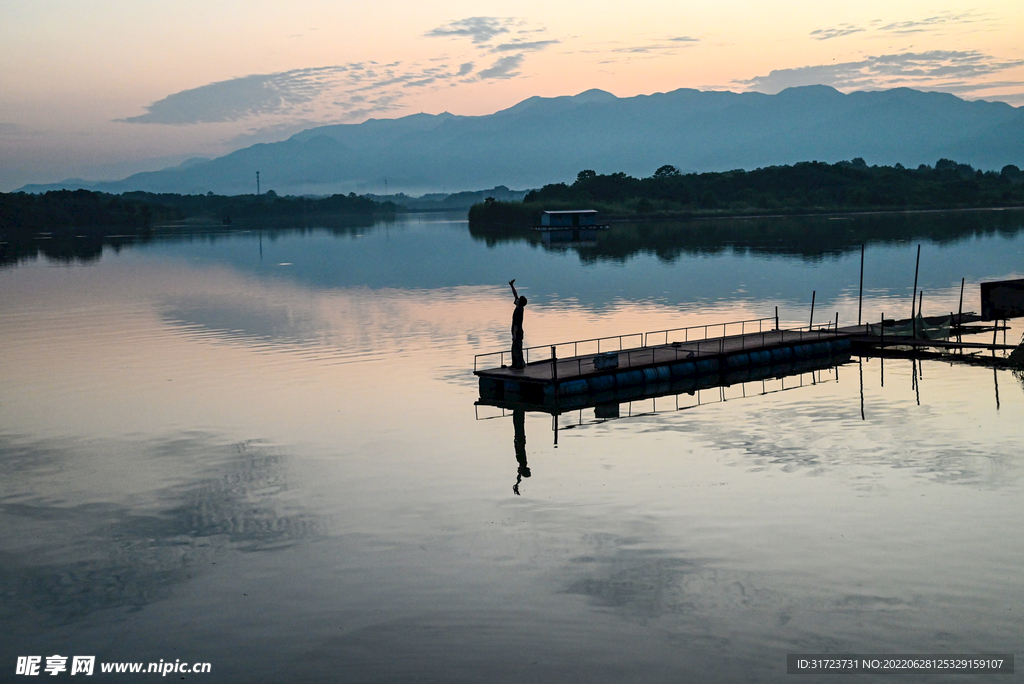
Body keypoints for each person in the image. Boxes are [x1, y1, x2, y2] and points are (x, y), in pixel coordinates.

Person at [509, 279, 527, 370]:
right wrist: (512, 285)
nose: (517, 299)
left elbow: (516, 324)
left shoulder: (518, 311)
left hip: (518, 332)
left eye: (519, 299)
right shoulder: (519, 307)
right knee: (515, 348)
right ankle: (516, 363)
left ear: (520, 302)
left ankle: (518, 364)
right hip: (517, 332)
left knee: (517, 348)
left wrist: (514, 334)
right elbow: (515, 295)